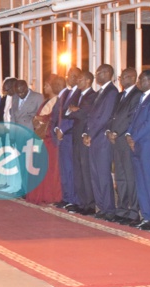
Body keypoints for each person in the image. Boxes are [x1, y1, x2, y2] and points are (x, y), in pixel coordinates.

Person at [126, 70, 150, 230]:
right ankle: (147, 215)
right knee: (140, 181)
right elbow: (134, 119)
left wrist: (133, 137)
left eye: (141, 79)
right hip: (137, 144)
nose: (138, 82)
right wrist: (129, 134)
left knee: (148, 181)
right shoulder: (143, 97)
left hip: (148, 145)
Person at [105, 68, 142, 224]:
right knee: (120, 176)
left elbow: (132, 118)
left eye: (124, 77)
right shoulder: (120, 95)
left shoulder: (137, 95)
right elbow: (112, 115)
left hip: (126, 140)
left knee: (130, 177)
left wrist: (117, 132)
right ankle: (122, 209)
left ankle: (133, 212)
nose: (121, 79)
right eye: (120, 77)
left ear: (133, 77)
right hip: (115, 140)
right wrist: (109, 131)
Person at [82, 64, 118, 219]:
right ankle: (101, 207)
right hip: (93, 138)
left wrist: (92, 134)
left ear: (107, 73)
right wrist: (86, 133)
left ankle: (109, 209)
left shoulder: (111, 92)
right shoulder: (100, 92)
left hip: (102, 139)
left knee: (103, 174)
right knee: (95, 175)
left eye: (99, 73)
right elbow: (90, 116)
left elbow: (105, 117)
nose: (96, 75)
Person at [25, 74, 63, 204]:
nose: (45, 87)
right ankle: (37, 194)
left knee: (48, 168)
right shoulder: (46, 101)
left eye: (47, 85)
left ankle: (49, 195)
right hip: (40, 137)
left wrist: (43, 119)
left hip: (49, 140)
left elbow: (55, 118)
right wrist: (36, 120)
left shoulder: (59, 100)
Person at [66, 71, 97, 215]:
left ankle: (90, 204)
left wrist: (76, 111)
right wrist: (75, 110)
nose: (77, 81)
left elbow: (85, 114)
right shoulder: (78, 95)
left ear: (88, 81)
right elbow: (69, 112)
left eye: (80, 79)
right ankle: (81, 202)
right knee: (78, 170)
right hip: (76, 136)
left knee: (85, 171)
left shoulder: (92, 95)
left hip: (85, 136)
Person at [53, 67, 82, 211]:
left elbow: (73, 117)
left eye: (73, 75)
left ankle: (74, 199)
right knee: (64, 169)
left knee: (71, 169)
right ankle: (66, 197)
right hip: (62, 135)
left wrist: (63, 130)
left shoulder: (79, 93)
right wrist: (57, 129)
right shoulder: (69, 93)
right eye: (68, 75)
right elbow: (62, 114)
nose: (69, 78)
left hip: (70, 135)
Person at [11, 80, 44, 194]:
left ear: (26, 88)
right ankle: (23, 186)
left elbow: (42, 117)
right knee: (21, 161)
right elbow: (13, 116)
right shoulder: (14, 97)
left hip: (30, 132)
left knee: (30, 162)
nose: (20, 95)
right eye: (18, 92)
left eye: (22, 92)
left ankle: (31, 188)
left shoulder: (37, 97)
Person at [0, 78, 19, 189]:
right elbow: (0, 115)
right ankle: (8, 181)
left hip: (14, 132)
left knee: (14, 158)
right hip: (4, 132)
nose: (6, 91)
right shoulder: (4, 99)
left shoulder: (17, 99)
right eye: (5, 89)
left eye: (8, 89)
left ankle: (15, 183)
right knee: (6, 158)